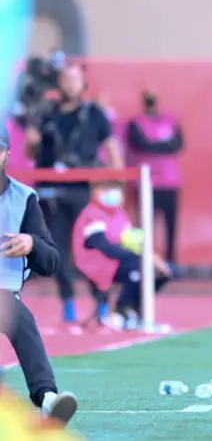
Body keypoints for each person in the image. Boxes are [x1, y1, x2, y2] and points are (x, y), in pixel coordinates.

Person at [25, 63, 123, 327]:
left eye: (75, 79)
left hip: (83, 190)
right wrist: (31, 141)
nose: (69, 84)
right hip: (51, 193)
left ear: (83, 84)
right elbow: (31, 152)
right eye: (66, 79)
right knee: (57, 250)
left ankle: (101, 299)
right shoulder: (45, 114)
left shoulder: (94, 114)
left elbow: (111, 147)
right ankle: (67, 301)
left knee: (91, 248)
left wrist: (116, 181)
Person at [0, 122, 78, 425]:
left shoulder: (24, 199)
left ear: (7, 153)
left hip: (4, 298)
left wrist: (31, 243)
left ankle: (47, 398)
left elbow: (51, 261)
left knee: (18, 316)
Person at [72, 179, 175, 330]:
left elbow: (131, 241)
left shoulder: (120, 214)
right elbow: (102, 245)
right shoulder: (92, 214)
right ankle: (122, 310)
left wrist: (153, 258)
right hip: (98, 263)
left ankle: (135, 310)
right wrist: (140, 257)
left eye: (115, 190)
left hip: (119, 260)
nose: (112, 195)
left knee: (161, 273)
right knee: (137, 268)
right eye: (105, 190)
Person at [126, 90, 184, 264]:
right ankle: (142, 260)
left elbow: (177, 144)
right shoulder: (136, 123)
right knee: (144, 224)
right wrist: (162, 144)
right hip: (146, 182)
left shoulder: (171, 121)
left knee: (171, 224)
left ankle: (171, 261)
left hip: (170, 181)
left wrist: (154, 144)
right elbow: (140, 144)